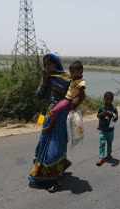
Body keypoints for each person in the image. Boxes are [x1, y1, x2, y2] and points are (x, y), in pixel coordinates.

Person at [29, 54, 82, 193]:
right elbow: (38, 96)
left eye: (49, 64)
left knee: (56, 147)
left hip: (62, 116)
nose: (46, 67)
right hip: (48, 115)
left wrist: (76, 101)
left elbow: (79, 94)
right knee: (44, 144)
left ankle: (55, 179)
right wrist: (45, 80)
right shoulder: (47, 78)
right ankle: (49, 172)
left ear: (56, 65)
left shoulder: (66, 78)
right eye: (44, 65)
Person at [42, 61, 86, 133]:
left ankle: (50, 126)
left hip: (68, 100)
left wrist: (77, 98)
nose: (71, 74)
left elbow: (82, 93)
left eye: (73, 72)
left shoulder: (81, 82)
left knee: (55, 110)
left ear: (80, 72)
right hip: (67, 99)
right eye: (70, 72)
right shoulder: (72, 78)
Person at [96, 91, 118, 166]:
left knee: (109, 142)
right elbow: (98, 116)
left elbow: (116, 118)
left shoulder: (114, 108)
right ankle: (101, 157)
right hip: (102, 129)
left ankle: (109, 154)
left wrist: (111, 114)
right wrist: (103, 113)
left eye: (110, 99)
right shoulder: (102, 108)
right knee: (102, 143)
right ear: (104, 99)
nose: (108, 101)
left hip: (110, 130)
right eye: (107, 99)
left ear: (112, 100)